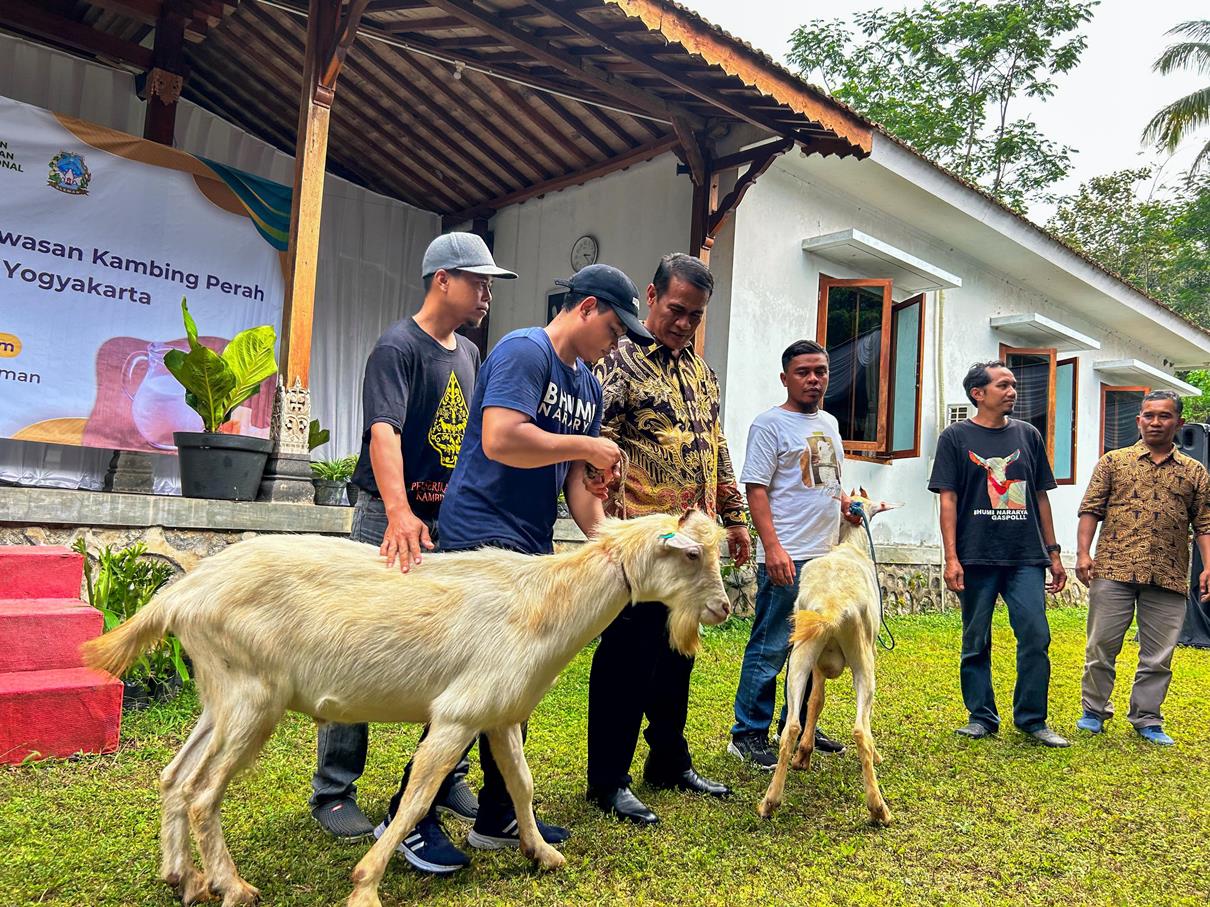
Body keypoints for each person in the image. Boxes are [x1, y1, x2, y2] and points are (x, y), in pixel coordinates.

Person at [373, 263, 643, 872]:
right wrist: (585, 445)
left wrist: (609, 539)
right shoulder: (526, 352)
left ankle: (498, 814)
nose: (618, 339)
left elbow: (577, 487)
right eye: (614, 325)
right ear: (586, 306)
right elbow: (500, 439)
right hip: (480, 533)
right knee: (471, 683)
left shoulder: (590, 386)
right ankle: (409, 817)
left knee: (513, 686)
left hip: (531, 542)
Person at [309, 232, 515, 847]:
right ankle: (334, 789)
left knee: (453, 651)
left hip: (447, 524)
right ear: (441, 279)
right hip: (386, 518)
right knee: (357, 646)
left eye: (488, 283)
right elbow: (383, 433)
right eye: (477, 281)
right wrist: (399, 514)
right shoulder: (396, 346)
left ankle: (443, 773)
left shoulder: (472, 355)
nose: (485, 293)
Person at [585, 252, 750, 826]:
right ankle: (608, 779)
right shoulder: (618, 359)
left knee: (679, 654)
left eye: (696, 315)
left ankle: (669, 762)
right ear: (652, 298)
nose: (684, 323)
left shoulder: (702, 373)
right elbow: (594, 443)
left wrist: (735, 517)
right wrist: (606, 525)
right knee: (628, 659)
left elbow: (716, 447)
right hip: (643, 547)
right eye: (677, 309)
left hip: (695, 547)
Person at [927, 360, 1070, 747]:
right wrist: (951, 557)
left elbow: (1040, 496)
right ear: (978, 393)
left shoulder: (1028, 435)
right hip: (975, 556)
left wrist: (1053, 553)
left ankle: (1032, 719)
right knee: (976, 639)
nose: (1012, 392)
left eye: (1013, 386)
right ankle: (981, 717)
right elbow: (948, 500)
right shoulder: (955, 437)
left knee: (1035, 635)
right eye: (1003, 385)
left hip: (1024, 555)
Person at [728, 339, 851, 770]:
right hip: (788, 555)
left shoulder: (831, 424)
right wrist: (773, 548)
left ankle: (798, 723)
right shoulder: (769, 425)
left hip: (825, 557)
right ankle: (747, 734)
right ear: (785, 378)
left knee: (814, 646)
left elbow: (826, 483)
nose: (813, 379)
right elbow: (756, 489)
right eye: (803, 372)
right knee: (772, 643)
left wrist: (846, 506)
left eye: (820, 371)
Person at [1074, 389, 1210, 745]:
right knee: (1101, 647)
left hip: (1168, 574)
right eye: (1149, 415)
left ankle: (1147, 718)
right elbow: (1091, 508)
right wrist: (1083, 553)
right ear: (1139, 420)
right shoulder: (1113, 462)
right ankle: (1094, 711)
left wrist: (1207, 567)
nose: (1155, 422)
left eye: (1164, 416)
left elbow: (1205, 524)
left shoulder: (1195, 472)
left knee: (1159, 655)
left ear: (1178, 422)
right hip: (1113, 569)